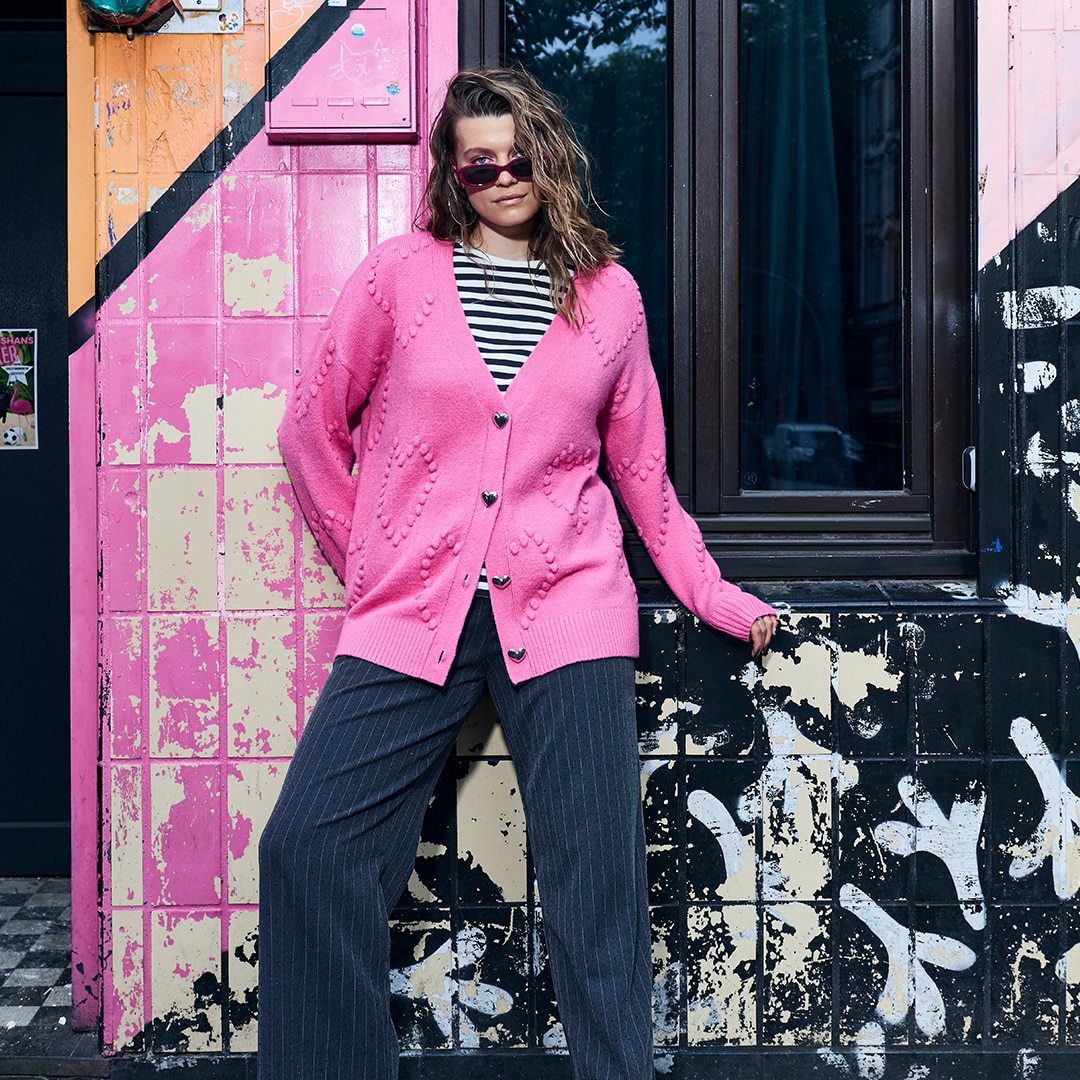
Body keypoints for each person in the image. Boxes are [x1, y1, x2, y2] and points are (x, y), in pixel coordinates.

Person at [258, 66, 778, 1080]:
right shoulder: (399, 276)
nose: (502, 175)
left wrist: (716, 596)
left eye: (517, 155)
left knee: (596, 887)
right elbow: (309, 430)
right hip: (413, 612)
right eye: (477, 162)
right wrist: (368, 563)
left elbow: (641, 474)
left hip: (571, 609)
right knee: (307, 850)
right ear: (455, 175)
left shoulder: (610, 296)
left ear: (549, 154)